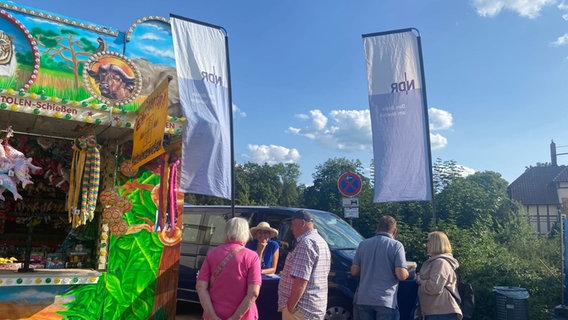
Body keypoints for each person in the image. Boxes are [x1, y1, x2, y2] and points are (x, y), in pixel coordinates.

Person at [196, 217, 262, 320]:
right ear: (246, 233)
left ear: (226, 231)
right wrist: (235, 317)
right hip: (244, 316)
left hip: (215, 313)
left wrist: (212, 316)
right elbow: (253, 292)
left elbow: (200, 287)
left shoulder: (212, 254)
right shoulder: (252, 257)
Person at [351, 215, 410, 320]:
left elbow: (354, 271)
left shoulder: (363, 244)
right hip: (385, 300)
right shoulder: (396, 246)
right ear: (394, 231)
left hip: (363, 299)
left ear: (377, 228)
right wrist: (408, 269)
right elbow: (401, 275)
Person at [278, 210, 331, 320]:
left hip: (300, 310)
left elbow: (301, 281)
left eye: (292, 224)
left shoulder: (306, 243)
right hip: (313, 307)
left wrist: (289, 308)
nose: (291, 228)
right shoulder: (321, 241)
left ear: (302, 223)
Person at [415, 231, 462, 320]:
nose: (426, 244)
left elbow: (434, 287)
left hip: (441, 313)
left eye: (428, 241)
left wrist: (420, 280)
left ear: (435, 243)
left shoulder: (440, 262)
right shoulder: (436, 262)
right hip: (436, 312)